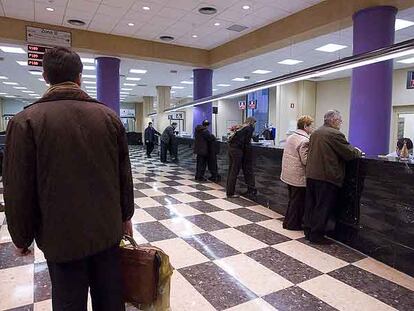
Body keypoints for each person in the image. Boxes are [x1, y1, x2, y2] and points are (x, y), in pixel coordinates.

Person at [3, 47, 134, 310]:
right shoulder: (108, 117)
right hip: (107, 232)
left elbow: (18, 187)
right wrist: (125, 217)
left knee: (68, 302)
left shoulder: (25, 121)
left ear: (45, 77)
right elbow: (124, 176)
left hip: (60, 237)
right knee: (110, 300)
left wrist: (21, 237)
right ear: (80, 76)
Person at [304, 110, 361, 244]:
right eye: (340, 120)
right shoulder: (335, 134)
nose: (340, 123)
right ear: (333, 120)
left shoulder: (316, 133)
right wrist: (357, 151)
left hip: (312, 174)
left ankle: (308, 230)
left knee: (311, 205)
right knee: (323, 207)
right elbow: (349, 153)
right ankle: (316, 235)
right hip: (326, 175)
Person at [280, 115, 314, 230]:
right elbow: (305, 160)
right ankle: (293, 224)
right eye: (311, 126)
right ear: (305, 126)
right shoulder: (304, 140)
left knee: (292, 200)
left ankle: (287, 222)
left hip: (288, 174)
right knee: (297, 202)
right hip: (298, 176)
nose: (312, 129)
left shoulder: (291, 137)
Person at [226, 117, 257, 199]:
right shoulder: (249, 128)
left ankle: (229, 191)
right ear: (252, 122)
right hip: (237, 151)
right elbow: (246, 143)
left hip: (231, 149)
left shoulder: (242, 127)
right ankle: (230, 193)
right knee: (234, 171)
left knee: (231, 170)